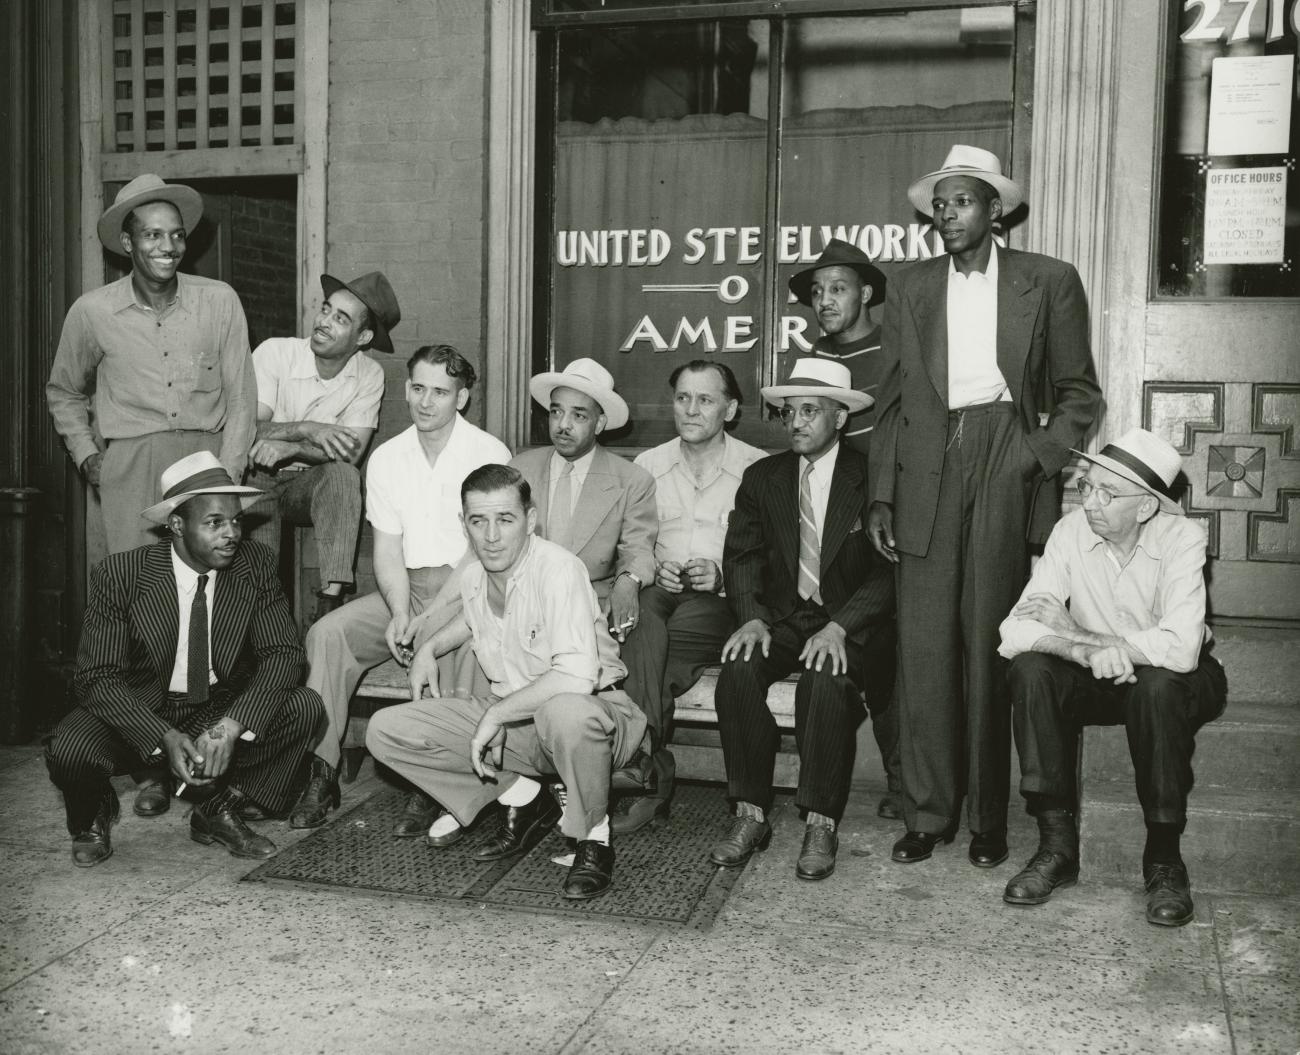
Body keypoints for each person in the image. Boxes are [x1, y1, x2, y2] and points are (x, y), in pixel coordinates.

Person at [868, 144, 1101, 869]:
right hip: (925, 465)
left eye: (962, 201)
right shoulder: (910, 286)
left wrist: (1032, 457)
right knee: (926, 647)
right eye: (939, 205)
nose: (948, 215)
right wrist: (881, 493)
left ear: (995, 208)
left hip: (1005, 453)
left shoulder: (1049, 280)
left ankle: (988, 821)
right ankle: (929, 813)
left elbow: (1079, 393)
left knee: (988, 646)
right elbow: (891, 401)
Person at [367, 464, 648, 901]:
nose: (491, 535)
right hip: (521, 726)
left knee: (566, 710)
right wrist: (429, 649)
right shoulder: (478, 576)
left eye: (505, 519)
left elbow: (575, 676)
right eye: (478, 521)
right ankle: (523, 795)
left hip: (597, 715)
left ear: (530, 520)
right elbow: (477, 619)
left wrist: (497, 713)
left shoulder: (559, 569)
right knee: (386, 730)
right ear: (465, 525)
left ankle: (594, 839)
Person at [42, 451, 323, 867]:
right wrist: (162, 736)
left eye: (236, 521)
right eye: (215, 523)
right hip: (140, 708)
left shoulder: (255, 565)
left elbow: (283, 654)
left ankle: (217, 809)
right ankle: (93, 814)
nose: (231, 534)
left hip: (214, 705)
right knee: (69, 747)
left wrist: (231, 726)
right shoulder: (122, 574)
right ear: (176, 525)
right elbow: (96, 677)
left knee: (304, 706)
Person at [998, 428, 1226, 927]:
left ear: (1145, 507)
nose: (1091, 502)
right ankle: (1057, 848)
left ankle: (1164, 860)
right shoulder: (1070, 531)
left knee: (1158, 685)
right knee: (1031, 668)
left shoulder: (1183, 538)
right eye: (1087, 487)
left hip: (1178, 682)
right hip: (1096, 674)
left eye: (1108, 493)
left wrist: (1084, 634)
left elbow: (1181, 649)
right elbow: (1014, 629)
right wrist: (1076, 648)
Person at [290, 345, 511, 830]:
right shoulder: (388, 457)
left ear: (463, 397)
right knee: (329, 633)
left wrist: (429, 622)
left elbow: (480, 556)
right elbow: (387, 550)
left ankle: (430, 783)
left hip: (470, 588)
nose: (425, 401)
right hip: (407, 586)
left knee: (453, 646)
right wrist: (397, 611)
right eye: (417, 388)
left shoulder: (488, 453)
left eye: (440, 391)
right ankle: (321, 772)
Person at [709, 359, 895, 882]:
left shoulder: (873, 477)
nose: (796, 423)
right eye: (790, 412)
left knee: (827, 678)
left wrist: (842, 627)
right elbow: (741, 555)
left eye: (811, 411)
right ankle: (750, 814)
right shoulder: (763, 477)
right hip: (786, 616)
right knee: (739, 669)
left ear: (840, 418)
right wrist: (750, 618)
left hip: (850, 622)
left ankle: (820, 819)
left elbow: (889, 573)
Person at [47, 173, 257, 554]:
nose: (169, 246)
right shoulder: (93, 311)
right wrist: (86, 456)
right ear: (128, 242)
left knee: (207, 586)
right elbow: (63, 391)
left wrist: (228, 473)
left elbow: (242, 396)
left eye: (177, 235)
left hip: (206, 462)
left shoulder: (219, 301)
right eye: (153, 235)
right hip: (132, 466)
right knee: (140, 584)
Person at [613, 361, 766, 833]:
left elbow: (772, 553)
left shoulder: (757, 468)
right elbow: (632, 540)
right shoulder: (649, 466)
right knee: (642, 622)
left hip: (724, 600)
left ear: (730, 408)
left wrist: (720, 574)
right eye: (682, 398)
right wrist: (651, 568)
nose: (691, 409)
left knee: (655, 642)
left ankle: (643, 768)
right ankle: (646, 769)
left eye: (705, 399)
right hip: (660, 588)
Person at [789, 239, 903, 818]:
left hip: (894, 513)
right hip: (834, 525)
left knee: (897, 645)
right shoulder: (813, 359)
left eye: (837, 289)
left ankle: (907, 780)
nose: (825, 301)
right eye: (817, 292)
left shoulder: (895, 348)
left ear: (865, 293)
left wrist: (889, 500)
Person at [245, 271, 400, 616]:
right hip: (257, 478)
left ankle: (328, 605)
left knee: (344, 476)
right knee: (260, 578)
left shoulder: (369, 374)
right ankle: (261, 624)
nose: (323, 322)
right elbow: (247, 430)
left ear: (363, 337)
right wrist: (308, 430)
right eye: (326, 310)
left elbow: (351, 452)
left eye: (340, 319)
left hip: (306, 484)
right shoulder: (276, 353)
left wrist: (294, 448)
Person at [510, 358, 656, 639]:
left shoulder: (632, 480)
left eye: (578, 416)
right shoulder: (519, 470)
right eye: (556, 412)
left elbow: (638, 548)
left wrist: (628, 582)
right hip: (522, 604)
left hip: (591, 608)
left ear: (599, 423)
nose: (563, 425)